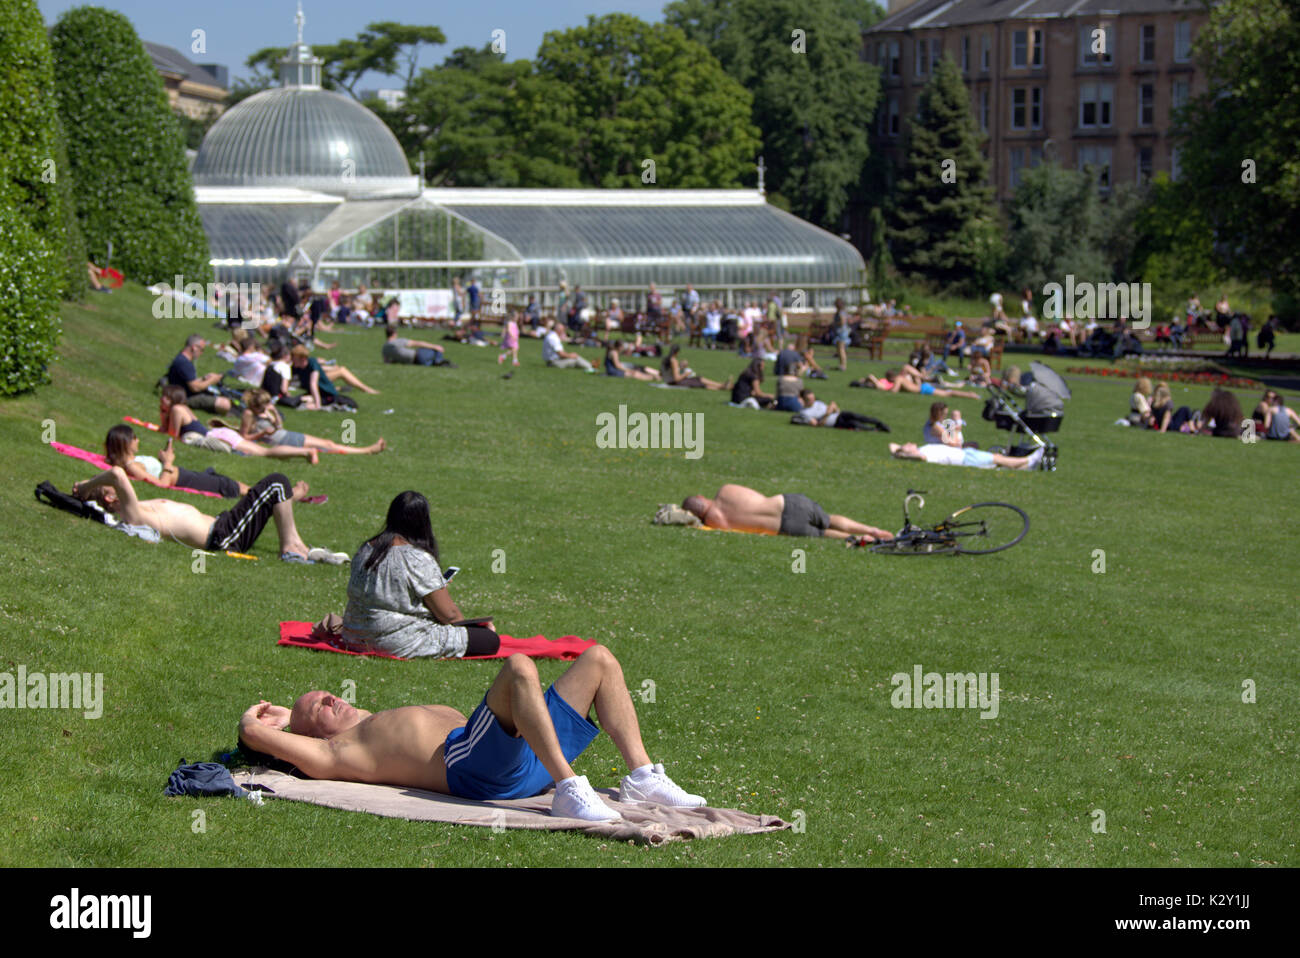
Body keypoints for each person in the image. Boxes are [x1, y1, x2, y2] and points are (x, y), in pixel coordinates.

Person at [237, 643, 705, 822]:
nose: (330, 698)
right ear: (311, 737)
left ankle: (642, 775)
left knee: (599, 659)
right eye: (319, 706)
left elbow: (325, 712)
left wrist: (291, 709)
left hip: (521, 759)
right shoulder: (339, 751)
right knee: (519, 667)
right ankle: (568, 785)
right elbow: (258, 737)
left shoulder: (371, 718)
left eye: (325, 693)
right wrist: (256, 724)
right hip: (474, 771)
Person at [341, 491, 498, 659]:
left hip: (353, 635)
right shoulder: (416, 558)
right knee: (489, 639)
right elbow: (449, 615)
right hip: (392, 640)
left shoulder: (366, 549)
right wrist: (469, 629)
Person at [72, 467, 343, 562]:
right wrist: (86, 487)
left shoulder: (138, 506)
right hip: (223, 537)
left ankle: (296, 544)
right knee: (276, 481)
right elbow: (117, 473)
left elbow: (116, 479)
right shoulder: (133, 516)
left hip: (223, 524)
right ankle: (292, 548)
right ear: (110, 497)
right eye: (108, 487)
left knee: (275, 487)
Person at [161, 385, 319, 463]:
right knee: (265, 452)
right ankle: (305, 452)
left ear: (174, 398)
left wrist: (163, 415)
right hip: (221, 434)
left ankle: (306, 452)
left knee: (265, 453)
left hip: (222, 436)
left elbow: (172, 434)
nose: (163, 400)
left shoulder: (176, 409)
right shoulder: (183, 408)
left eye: (166, 397)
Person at [680, 484, 893, 541]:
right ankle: (871, 529)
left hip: (783, 527)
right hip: (786, 503)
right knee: (828, 520)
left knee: (823, 534)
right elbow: (756, 495)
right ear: (701, 497)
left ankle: (858, 538)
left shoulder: (715, 523)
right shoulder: (726, 490)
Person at [103, 424, 248, 498]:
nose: (138, 440)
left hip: (187, 475)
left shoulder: (132, 461)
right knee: (232, 486)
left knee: (234, 484)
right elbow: (161, 484)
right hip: (187, 480)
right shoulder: (132, 466)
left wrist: (164, 459)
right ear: (127, 443)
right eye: (135, 438)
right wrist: (167, 462)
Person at [240, 389, 386, 456]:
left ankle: (366, 450)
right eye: (264, 405)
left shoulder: (264, 412)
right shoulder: (249, 414)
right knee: (328, 446)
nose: (267, 407)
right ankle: (367, 450)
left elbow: (279, 427)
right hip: (284, 440)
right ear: (255, 405)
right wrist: (261, 434)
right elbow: (244, 438)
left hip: (286, 435)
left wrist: (275, 414)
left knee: (328, 444)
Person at [290, 345, 374, 408]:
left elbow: (313, 384)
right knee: (301, 400)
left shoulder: (312, 363)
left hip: (326, 394)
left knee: (305, 402)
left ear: (302, 359)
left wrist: (317, 404)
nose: (292, 360)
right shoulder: (297, 367)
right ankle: (347, 388)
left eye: (294, 358)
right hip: (317, 392)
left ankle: (367, 389)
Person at [166, 335, 232, 414]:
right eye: (202, 350)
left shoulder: (182, 358)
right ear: (194, 348)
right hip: (185, 397)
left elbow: (189, 382)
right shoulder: (185, 363)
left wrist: (204, 378)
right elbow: (195, 388)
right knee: (225, 404)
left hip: (183, 393)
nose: (201, 353)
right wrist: (212, 380)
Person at [889, 442, 1044, 471]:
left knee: (997, 459)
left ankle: (1029, 466)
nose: (909, 442)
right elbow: (952, 441)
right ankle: (1029, 460)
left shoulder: (923, 448)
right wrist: (903, 455)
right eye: (907, 445)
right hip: (964, 457)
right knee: (998, 460)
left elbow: (892, 445)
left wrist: (900, 452)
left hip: (964, 453)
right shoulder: (922, 454)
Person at [793, 390, 889, 432]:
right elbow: (817, 425)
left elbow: (836, 409)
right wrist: (827, 415)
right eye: (810, 399)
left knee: (857, 416)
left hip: (839, 414)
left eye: (813, 398)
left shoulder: (819, 403)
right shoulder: (805, 413)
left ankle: (879, 423)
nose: (813, 400)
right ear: (804, 400)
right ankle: (875, 430)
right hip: (835, 422)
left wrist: (833, 407)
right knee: (854, 424)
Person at [859, 369, 979, 399]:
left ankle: (970, 395)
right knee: (948, 392)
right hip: (921, 387)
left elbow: (893, 391)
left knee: (948, 394)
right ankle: (969, 393)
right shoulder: (901, 378)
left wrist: (879, 387)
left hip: (923, 389)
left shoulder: (899, 379)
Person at [382, 321, 451, 367]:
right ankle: (439, 361)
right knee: (437, 351)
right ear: (394, 334)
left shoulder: (384, 348)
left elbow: (387, 362)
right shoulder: (398, 341)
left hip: (414, 362)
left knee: (430, 363)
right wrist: (435, 346)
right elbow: (417, 343)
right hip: (418, 355)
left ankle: (437, 362)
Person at [659, 344, 727, 390]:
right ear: (677, 352)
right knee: (700, 381)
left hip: (668, 381)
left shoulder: (665, 359)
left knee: (699, 380)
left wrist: (680, 367)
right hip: (674, 383)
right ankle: (721, 386)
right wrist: (686, 374)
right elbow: (677, 378)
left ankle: (721, 385)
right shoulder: (673, 360)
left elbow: (663, 373)